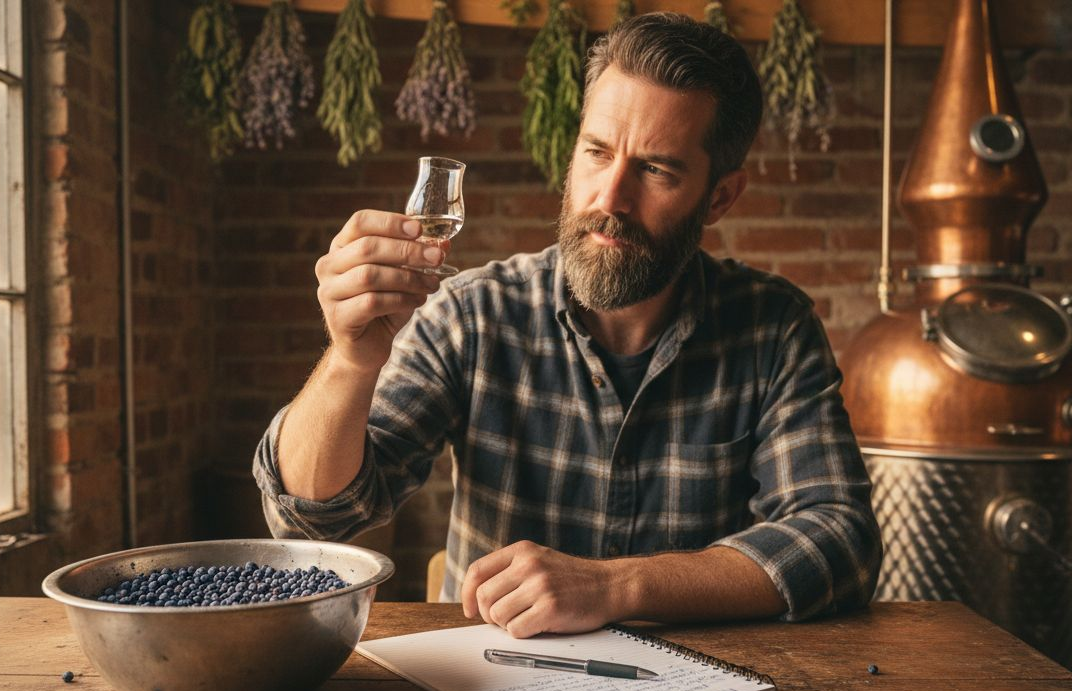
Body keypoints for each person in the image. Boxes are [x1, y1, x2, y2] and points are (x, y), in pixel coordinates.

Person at [254, 12, 880, 638]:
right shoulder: (474, 316)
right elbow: (312, 521)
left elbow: (838, 538)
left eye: (656, 169)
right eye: (598, 152)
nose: (610, 198)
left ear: (719, 197)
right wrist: (350, 360)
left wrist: (617, 586)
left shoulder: (773, 329)